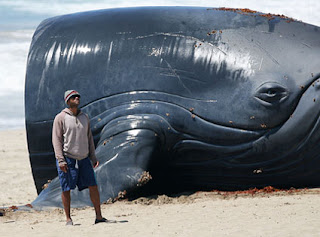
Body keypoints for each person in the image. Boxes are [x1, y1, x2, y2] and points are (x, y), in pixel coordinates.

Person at [52, 90, 107, 225]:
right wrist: (60, 160)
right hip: (67, 158)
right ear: (67, 100)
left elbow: (89, 139)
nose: (77, 98)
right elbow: (56, 140)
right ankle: (68, 219)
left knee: (93, 186)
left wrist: (93, 157)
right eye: (73, 97)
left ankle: (99, 217)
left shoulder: (85, 117)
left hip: (84, 158)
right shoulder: (60, 118)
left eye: (78, 96)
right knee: (66, 189)